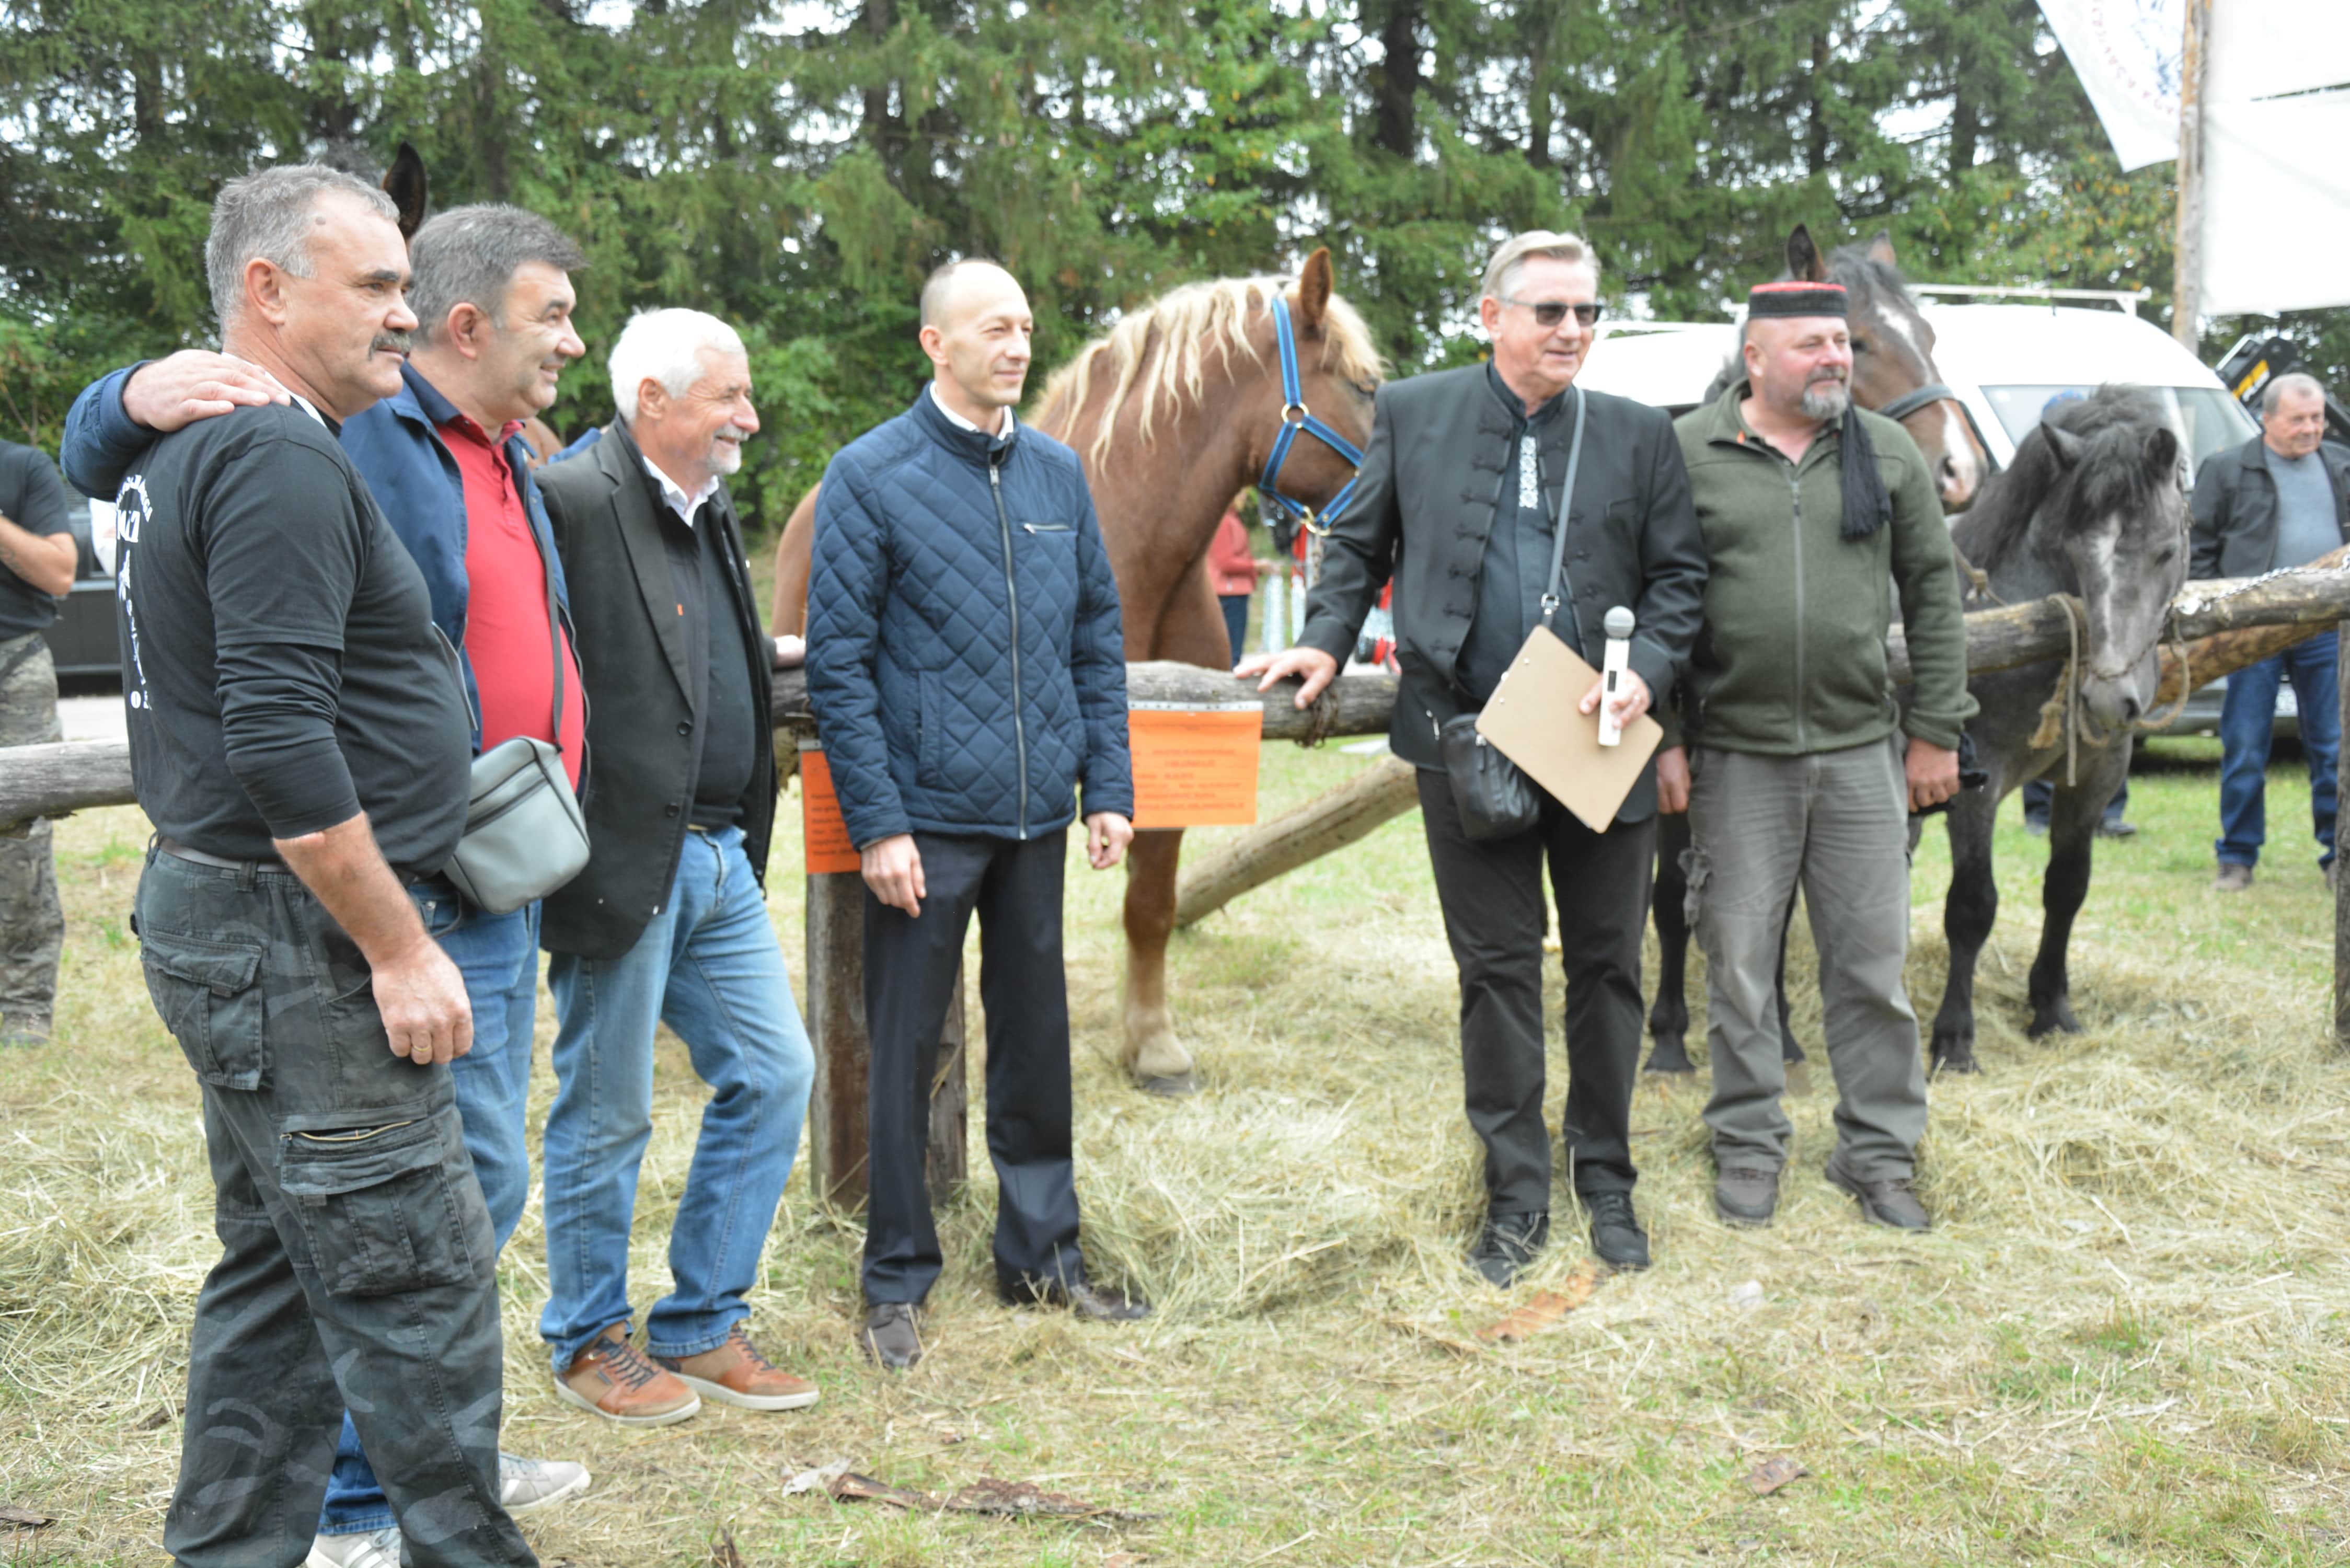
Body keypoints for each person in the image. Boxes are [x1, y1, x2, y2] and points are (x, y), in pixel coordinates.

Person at [64, 202, 598, 1567]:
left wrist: (118, 397)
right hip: (301, 936)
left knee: (276, 1283)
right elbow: (283, 741)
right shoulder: (272, 458)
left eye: (409, 285)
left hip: (230, 915)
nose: (405, 315)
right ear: (267, 291)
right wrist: (398, 946)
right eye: (373, 286)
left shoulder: (193, 445)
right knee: (421, 1296)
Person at [1241, 230, 1707, 1285]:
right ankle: (1515, 1198)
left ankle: (1607, 1182)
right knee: (1494, 976)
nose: (1573, 330)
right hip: (1465, 737)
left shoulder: (1639, 434)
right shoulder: (1416, 412)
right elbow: (1356, 540)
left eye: (1587, 312)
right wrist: (1322, 636)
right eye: (1550, 312)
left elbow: (1680, 580)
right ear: (1490, 317)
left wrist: (1653, 673)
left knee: (1606, 970)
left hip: (1599, 737)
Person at [807, 258, 1142, 1369]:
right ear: (934, 344)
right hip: (923, 824)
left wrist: (1111, 792)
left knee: (1038, 1042)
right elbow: (840, 669)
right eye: (994, 327)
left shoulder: (1057, 474)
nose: (1017, 345)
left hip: (1036, 819)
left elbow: (1097, 641)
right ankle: (895, 1278)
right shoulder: (870, 476)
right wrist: (881, 824)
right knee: (901, 1050)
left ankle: (1043, 1257)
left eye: (1027, 327)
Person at [532, 309, 818, 1422]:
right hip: (619, 856)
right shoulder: (569, 499)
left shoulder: (704, 502)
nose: (748, 416)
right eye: (728, 399)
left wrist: (767, 658)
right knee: (607, 1109)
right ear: (654, 400)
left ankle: (700, 1325)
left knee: (775, 1071)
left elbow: (692, 642)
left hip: (716, 859)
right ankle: (588, 1340)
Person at [1660, 279, 1975, 1233]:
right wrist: (1667, 739)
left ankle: (1878, 1155)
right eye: (1810, 345)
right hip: (1733, 758)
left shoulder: (1881, 451)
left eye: (1841, 342)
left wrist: (1937, 730)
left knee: (1872, 967)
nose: (1835, 359)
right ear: (1756, 357)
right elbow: (1661, 599)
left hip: (1859, 754)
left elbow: (1932, 591)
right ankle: (1750, 1145)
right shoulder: (1688, 453)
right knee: (1741, 966)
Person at [2191, 371, 2349, 892]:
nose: (2310, 428)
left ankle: (2336, 857)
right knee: (2244, 744)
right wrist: (2220, 614)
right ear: (2266, 419)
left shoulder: (2340, 464)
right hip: (2252, 630)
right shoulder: (2227, 469)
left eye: (2317, 417)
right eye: (2297, 419)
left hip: (2325, 628)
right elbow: (2200, 550)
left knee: (2332, 746)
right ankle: (2235, 859)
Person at [0, 437, 77, 1048]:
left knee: (20, 843)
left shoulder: (20, 467)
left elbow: (59, 572)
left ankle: (24, 1008)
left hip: (13, 669)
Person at [1205, 495, 1270, 659]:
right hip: (1228, 594)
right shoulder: (1224, 521)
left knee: (1235, 649)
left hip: (1237, 592)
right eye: (1240, 494)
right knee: (1231, 652)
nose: (1244, 498)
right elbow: (1225, 563)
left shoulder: (1233, 519)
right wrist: (1255, 565)